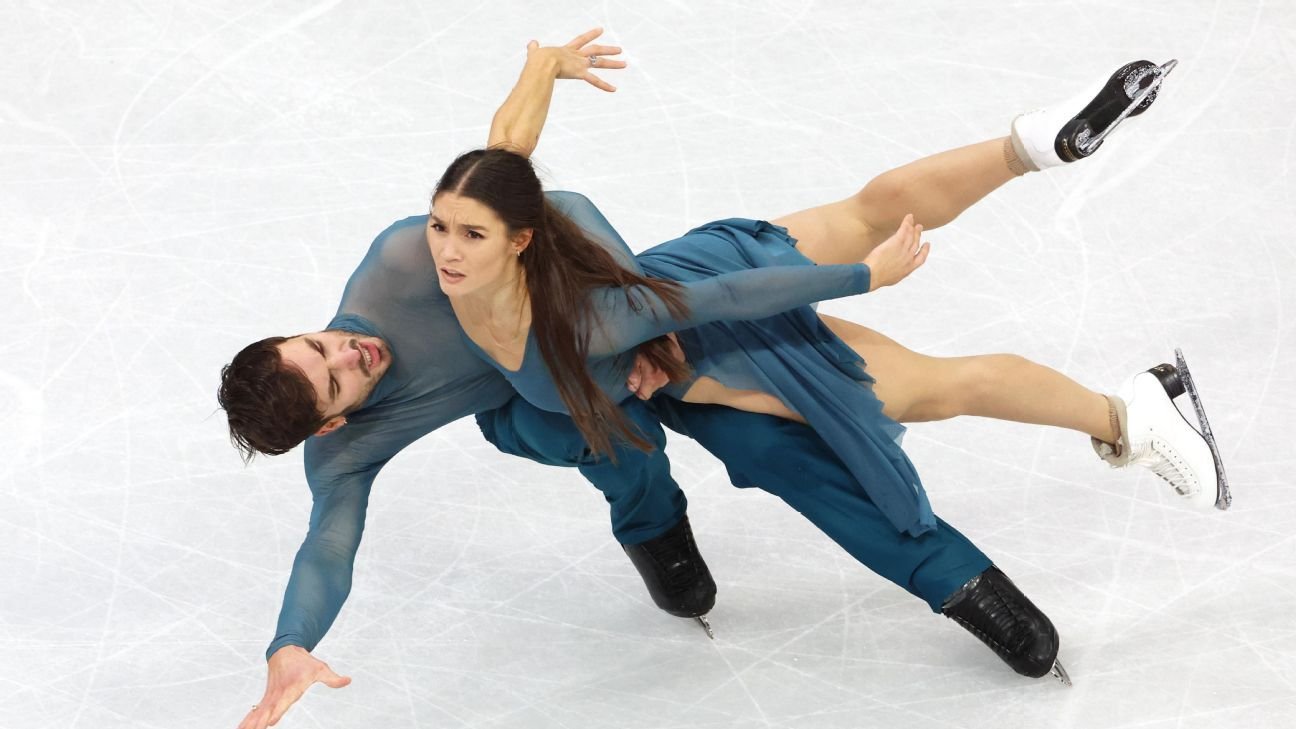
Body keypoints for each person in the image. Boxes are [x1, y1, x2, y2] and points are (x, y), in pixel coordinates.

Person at [219, 34, 1219, 729]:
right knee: (598, 431)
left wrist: (847, 281)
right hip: (615, 351)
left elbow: (536, 190)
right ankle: (1036, 160)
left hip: (668, 312)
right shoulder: (365, 430)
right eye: (340, 381)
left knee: (901, 390)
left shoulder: (410, 260)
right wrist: (291, 641)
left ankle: (1109, 363)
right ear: (331, 429)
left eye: (322, 344)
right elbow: (329, 544)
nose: (353, 355)